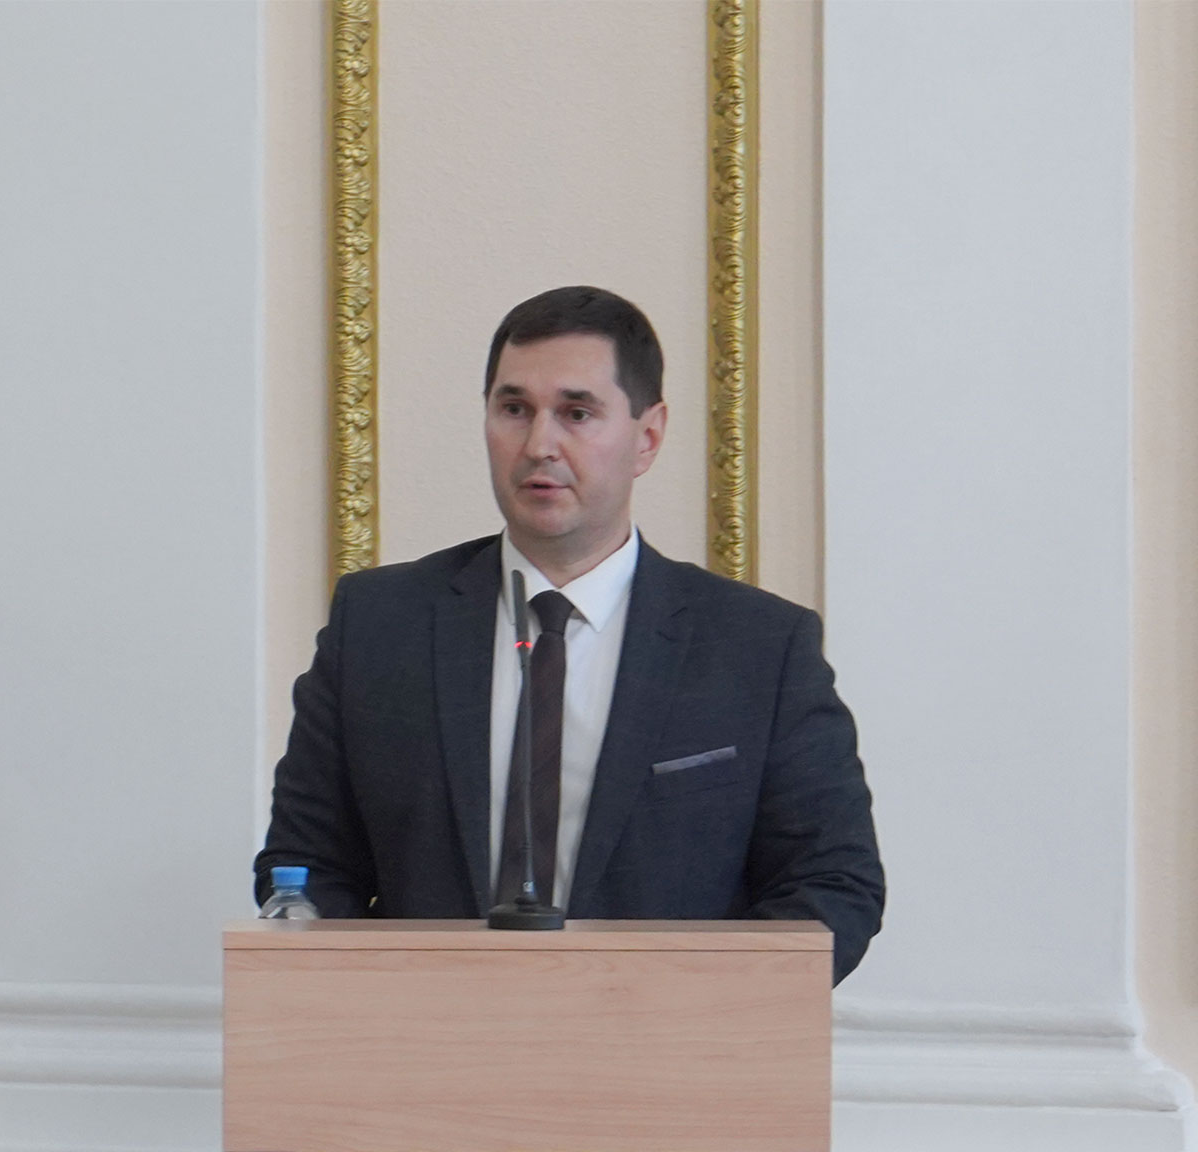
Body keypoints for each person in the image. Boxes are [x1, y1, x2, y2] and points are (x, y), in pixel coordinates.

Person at [255, 285, 884, 984]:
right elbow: (307, 865)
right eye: (514, 409)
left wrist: (697, 1009)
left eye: (576, 413)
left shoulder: (759, 647)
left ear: (647, 437)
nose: (538, 445)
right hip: (425, 1033)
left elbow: (832, 884)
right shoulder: (380, 624)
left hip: (668, 1039)